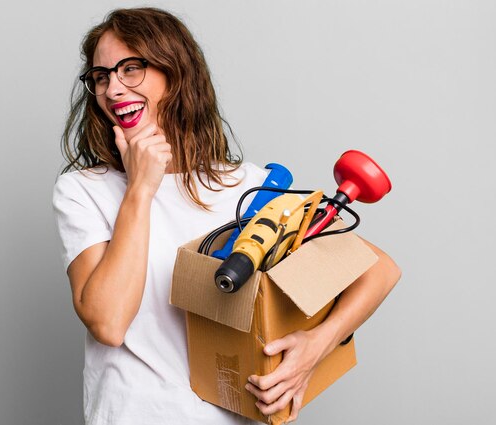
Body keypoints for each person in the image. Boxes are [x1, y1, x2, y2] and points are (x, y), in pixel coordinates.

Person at [52, 7, 401, 425]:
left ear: (175, 72)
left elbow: (379, 270)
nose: (112, 89)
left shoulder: (251, 188)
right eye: (101, 76)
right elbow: (108, 323)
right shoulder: (84, 190)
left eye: (130, 68)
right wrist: (140, 189)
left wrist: (315, 347)